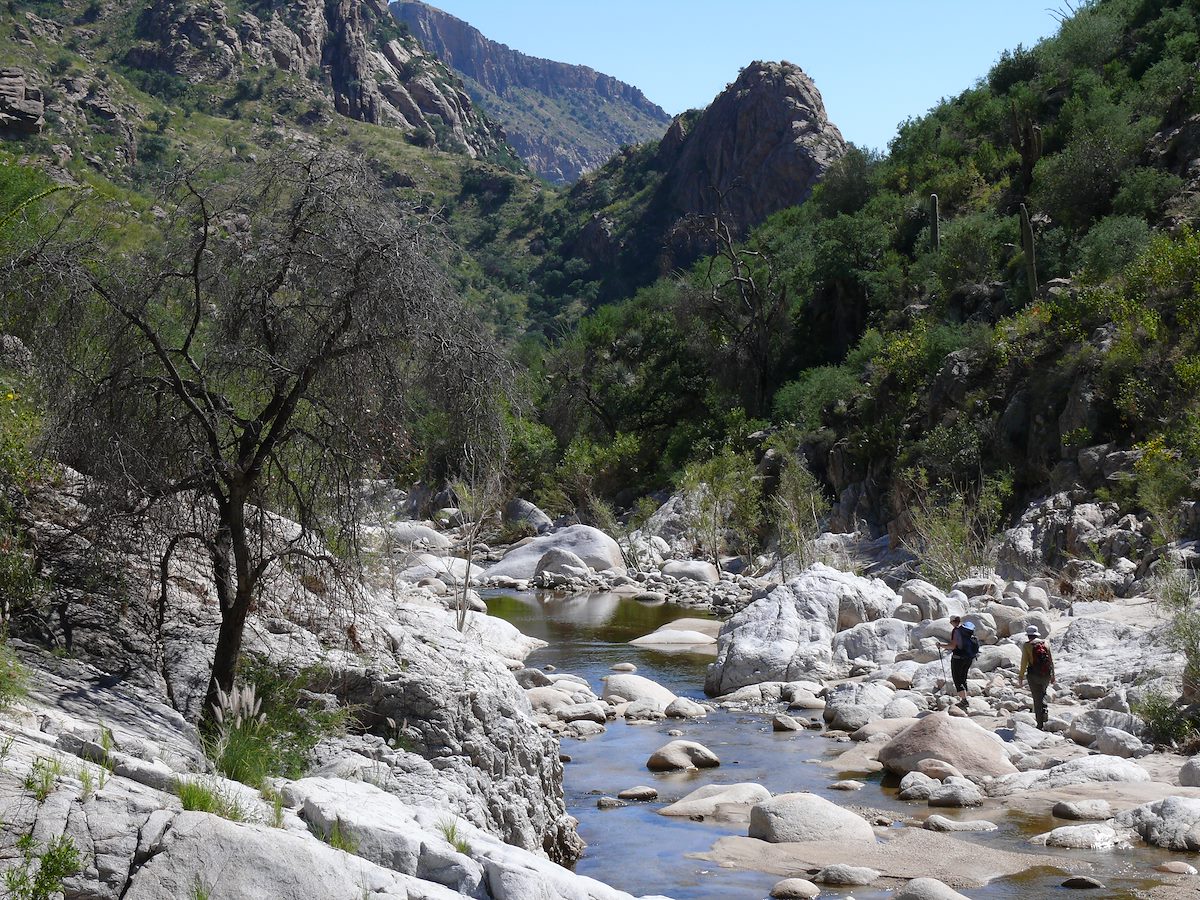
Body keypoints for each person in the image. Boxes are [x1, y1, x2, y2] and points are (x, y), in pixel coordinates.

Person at [1018, 624, 1055, 729]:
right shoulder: (1045, 643)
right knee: (1043, 694)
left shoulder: (1027, 645)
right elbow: (1051, 661)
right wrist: (1053, 675)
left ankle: (1040, 725)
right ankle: (1045, 712)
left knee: (1037, 699)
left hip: (1033, 675)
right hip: (1046, 674)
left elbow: (1024, 662)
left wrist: (1020, 677)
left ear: (1028, 635)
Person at [939, 616, 977, 710]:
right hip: (969, 658)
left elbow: (952, 646)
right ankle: (965, 698)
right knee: (963, 678)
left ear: (952, 622)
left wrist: (941, 645)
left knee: (957, 679)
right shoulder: (968, 631)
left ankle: (964, 701)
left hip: (958, 658)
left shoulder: (956, 631)